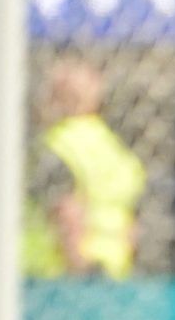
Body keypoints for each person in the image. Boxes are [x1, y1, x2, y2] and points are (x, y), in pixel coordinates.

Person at [21, 60, 146, 282]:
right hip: (114, 274)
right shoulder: (115, 149)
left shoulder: (56, 145)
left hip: (57, 277)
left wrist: (79, 268)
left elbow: (65, 210)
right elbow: (131, 223)